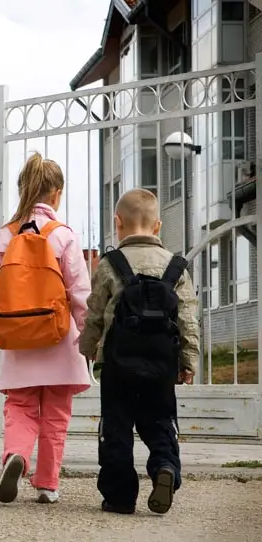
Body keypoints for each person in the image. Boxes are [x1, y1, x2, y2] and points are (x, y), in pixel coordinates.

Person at [0, 152, 92, 505]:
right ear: (57, 194)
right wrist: (89, 338)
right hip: (58, 337)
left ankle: (17, 455)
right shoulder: (64, 236)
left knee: (20, 405)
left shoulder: (3, 236)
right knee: (56, 414)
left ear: (21, 191)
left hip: (17, 338)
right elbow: (80, 293)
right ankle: (47, 484)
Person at [79, 188, 200, 515]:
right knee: (160, 421)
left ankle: (119, 497)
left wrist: (88, 349)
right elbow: (187, 318)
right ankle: (165, 466)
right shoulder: (176, 267)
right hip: (161, 364)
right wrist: (187, 362)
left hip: (118, 365)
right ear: (158, 226)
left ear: (118, 223)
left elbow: (95, 313)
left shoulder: (109, 265)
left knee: (116, 429)